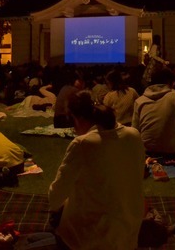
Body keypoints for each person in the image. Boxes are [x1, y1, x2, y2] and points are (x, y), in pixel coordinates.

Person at [49, 90, 145, 250]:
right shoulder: (134, 135)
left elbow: (55, 196)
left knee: (56, 216)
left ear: (77, 118)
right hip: (129, 233)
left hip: (93, 238)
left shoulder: (82, 144)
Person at [133, 67, 175, 158]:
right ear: (169, 82)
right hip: (171, 150)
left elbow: (135, 130)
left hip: (147, 150)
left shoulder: (139, 101)